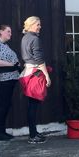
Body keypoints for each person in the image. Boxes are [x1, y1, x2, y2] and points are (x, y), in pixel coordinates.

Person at [19, 16, 51, 144]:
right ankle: (33, 135)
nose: (40, 26)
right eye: (38, 24)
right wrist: (47, 75)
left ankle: (34, 132)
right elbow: (39, 60)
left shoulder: (25, 38)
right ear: (31, 25)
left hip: (28, 73)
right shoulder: (35, 39)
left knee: (31, 105)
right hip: (35, 74)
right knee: (33, 106)